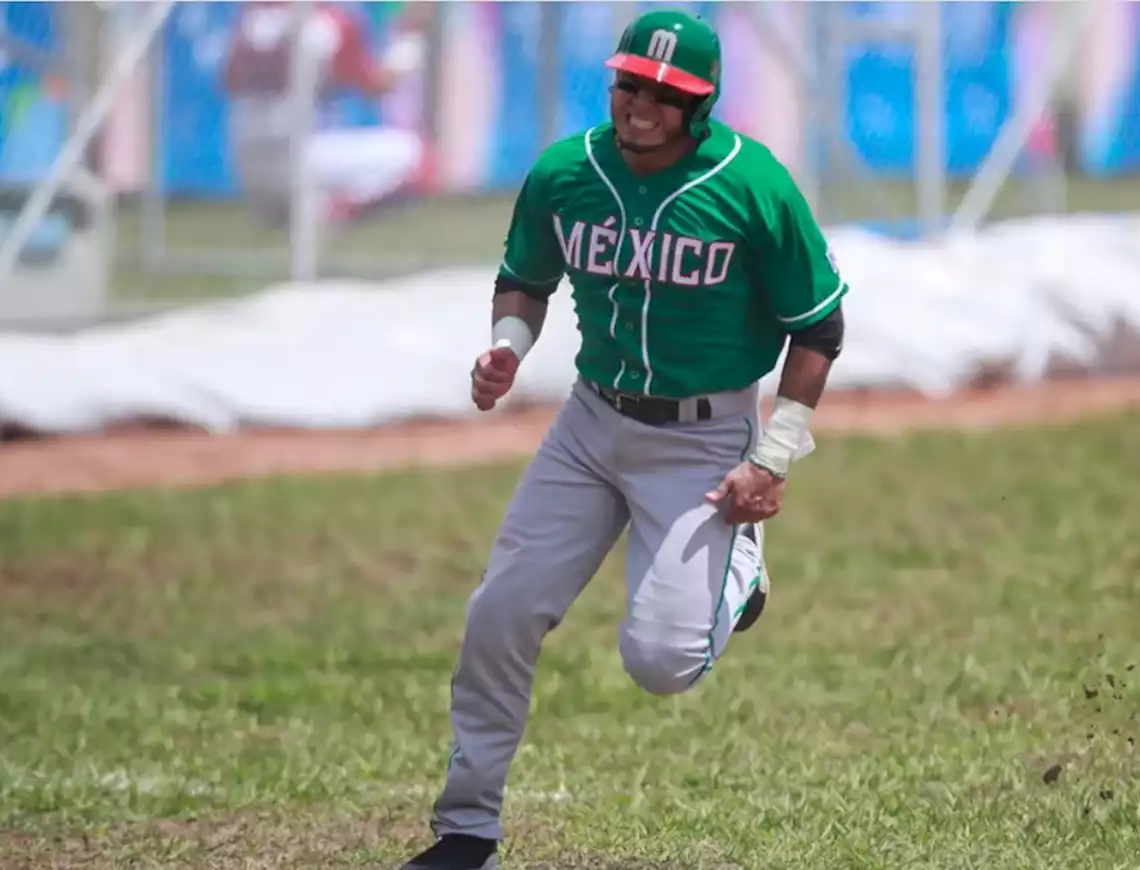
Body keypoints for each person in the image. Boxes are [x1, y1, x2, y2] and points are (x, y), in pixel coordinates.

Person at [400, 9, 848, 869]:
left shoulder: (752, 185)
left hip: (705, 439)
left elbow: (819, 328)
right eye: (629, 83)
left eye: (664, 92)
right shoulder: (568, 171)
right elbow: (524, 279)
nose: (640, 103)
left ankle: (739, 562)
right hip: (589, 424)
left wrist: (773, 456)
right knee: (499, 612)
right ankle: (466, 832)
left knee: (661, 663)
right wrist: (509, 345)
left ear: (701, 102)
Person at [222, 0, 429, 226]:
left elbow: (228, 80)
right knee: (420, 160)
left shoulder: (252, 16)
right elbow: (376, 86)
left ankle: (302, 208)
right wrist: (410, 42)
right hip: (297, 162)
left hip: (246, 171)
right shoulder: (331, 23)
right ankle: (331, 209)